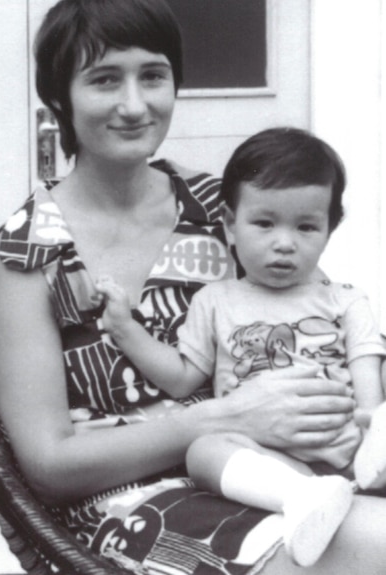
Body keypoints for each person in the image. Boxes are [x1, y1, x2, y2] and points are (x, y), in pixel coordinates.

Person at [0, 0, 386, 573]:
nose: (134, 104)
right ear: (59, 97)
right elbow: (50, 465)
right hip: (126, 507)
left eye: (153, 75)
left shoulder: (225, 208)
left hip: (277, 467)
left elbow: (319, 321)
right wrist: (225, 418)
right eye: (103, 80)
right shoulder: (26, 252)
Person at [95, 127, 386, 567]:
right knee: (203, 452)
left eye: (306, 226)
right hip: (265, 460)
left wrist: (371, 432)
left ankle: (351, 485)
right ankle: (304, 497)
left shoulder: (346, 300)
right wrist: (124, 328)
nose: (284, 243)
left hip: (351, 452)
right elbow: (180, 378)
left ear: (330, 229)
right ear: (230, 224)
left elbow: (368, 390)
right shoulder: (214, 301)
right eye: (264, 223)